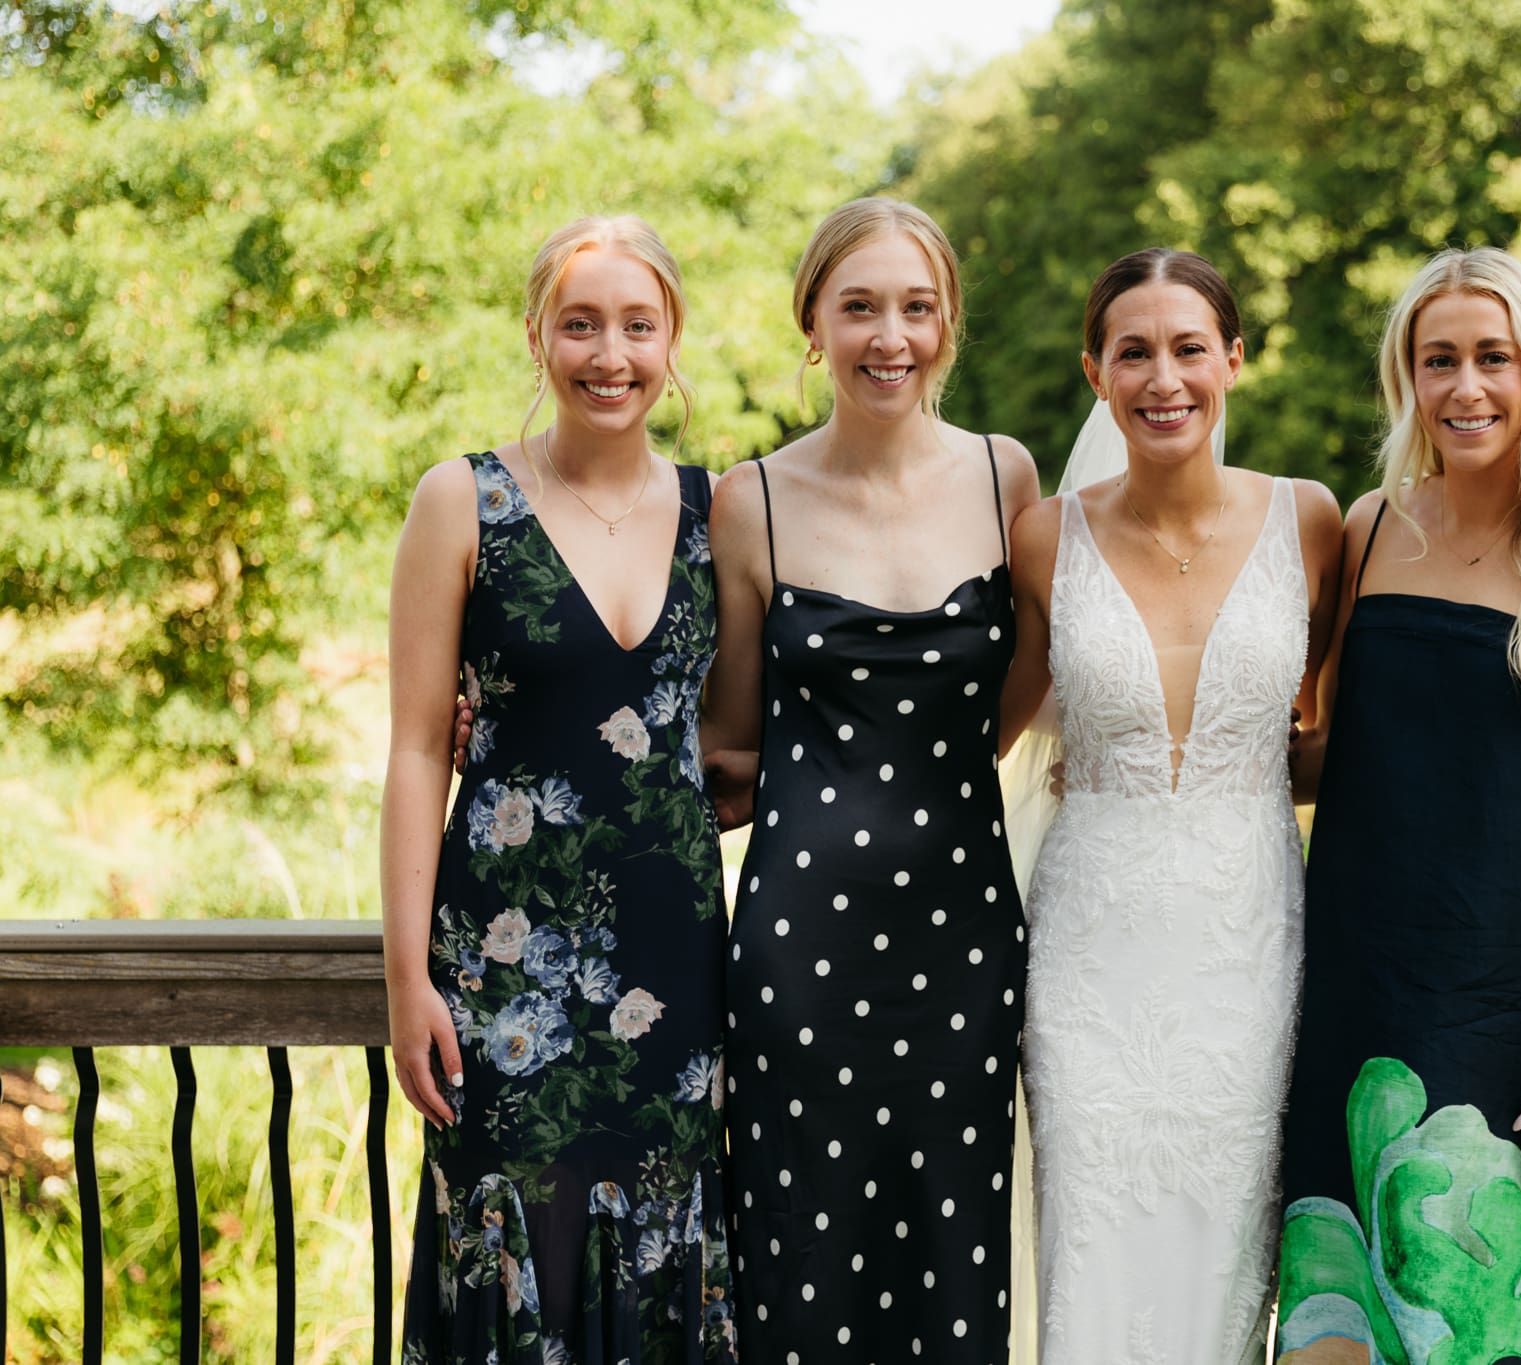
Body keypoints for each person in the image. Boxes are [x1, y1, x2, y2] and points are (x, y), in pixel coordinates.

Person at [1274, 247, 1521, 1364]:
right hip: (1364, 1022)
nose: (1465, 387)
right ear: (1404, 379)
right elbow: (1329, 760)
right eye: (1436, 359)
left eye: (1490, 358)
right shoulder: (1365, 531)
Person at [381, 215, 736, 1363]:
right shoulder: (463, 501)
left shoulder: (722, 514)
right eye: (579, 325)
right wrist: (404, 985)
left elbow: (742, 737)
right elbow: (415, 753)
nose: (610, 354)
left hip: (673, 966)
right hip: (502, 970)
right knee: (515, 1237)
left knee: (655, 1250)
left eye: (638, 325)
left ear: (672, 337)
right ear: (537, 337)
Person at [701, 197, 1040, 1364]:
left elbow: (1028, 688)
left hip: (962, 940)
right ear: (813, 325)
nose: (887, 335)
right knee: (799, 1255)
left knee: (951, 1258)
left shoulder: (1009, 478)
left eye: (914, 307)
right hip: (799, 951)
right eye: (858, 307)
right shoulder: (749, 501)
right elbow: (729, 741)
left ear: (946, 324)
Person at [996, 248, 1344, 1364]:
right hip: (1089, 958)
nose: (1163, 378)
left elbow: (1332, 739)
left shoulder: (1312, 523)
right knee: (1094, 1262)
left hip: (1246, 951)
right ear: (1094, 372)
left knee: (1229, 1260)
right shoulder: (1045, 538)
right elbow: (977, 731)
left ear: (1232, 361)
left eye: (1188, 348)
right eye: (1132, 352)